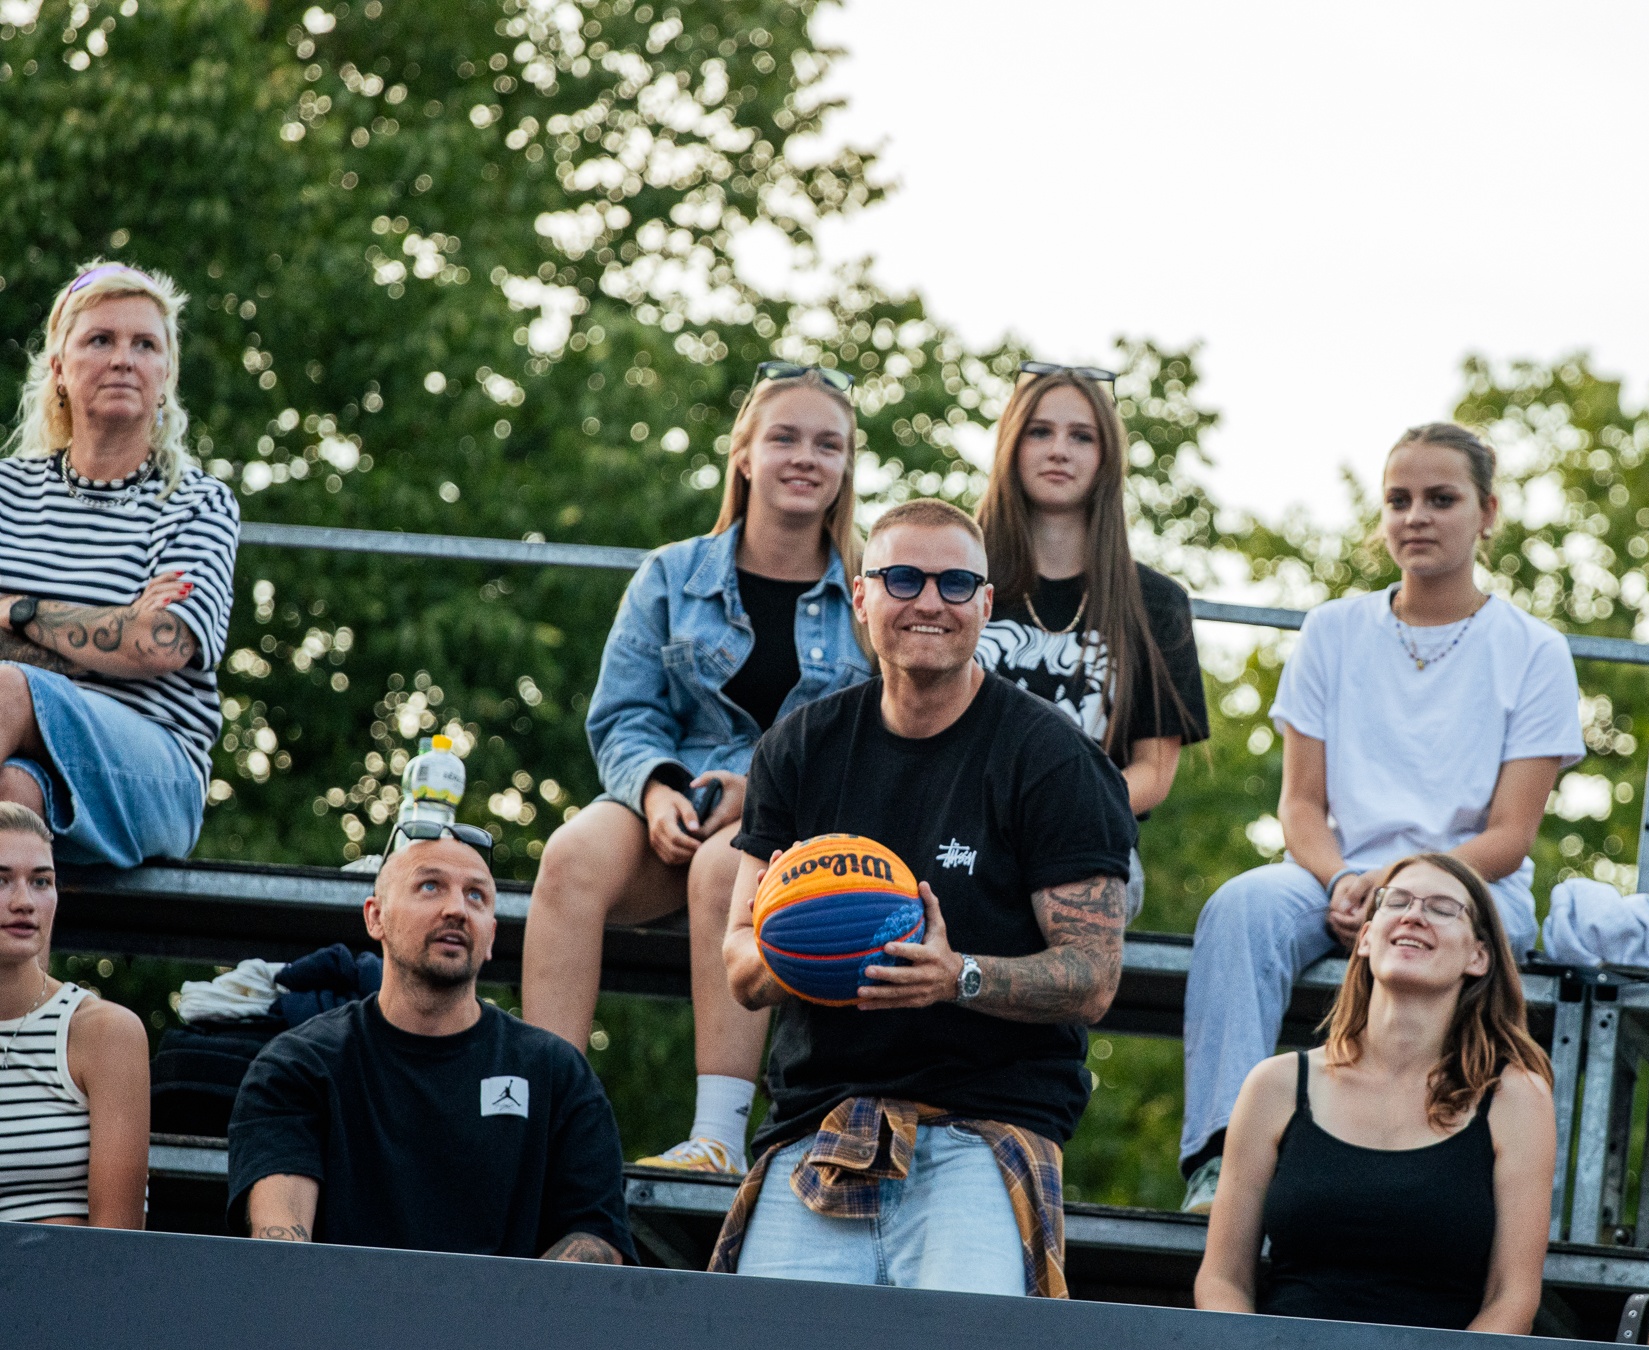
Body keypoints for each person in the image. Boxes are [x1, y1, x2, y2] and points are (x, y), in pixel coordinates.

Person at [708, 499, 1135, 1298]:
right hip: (819, 1125)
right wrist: (795, 942)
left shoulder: (1053, 760)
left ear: (986, 603)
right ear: (861, 596)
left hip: (985, 1125)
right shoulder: (799, 748)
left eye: (955, 583)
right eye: (902, 578)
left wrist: (956, 976)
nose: (930, 601)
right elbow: (739, 962)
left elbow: (1093, 976)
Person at [1178, 422, 1583, 1212]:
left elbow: (1511, 836)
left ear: (1487, 512)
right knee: (1241, 909)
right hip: (1335, 876)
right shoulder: (1332, 630)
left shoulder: (1534, 650)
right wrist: (1345, 882)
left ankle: (1428, 1177)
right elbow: (1300, 805)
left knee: (1441, 933)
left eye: (1441, 499)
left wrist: (1401, 893)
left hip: (1474, 886)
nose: (1416, 517)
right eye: (1399, 500)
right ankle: (1223, 1161)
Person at [522, 363, 872, 1177]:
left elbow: (874, 735)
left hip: (802, 819)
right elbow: (624, 713)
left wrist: (762, 791)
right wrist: (654, 789)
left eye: (828, 445)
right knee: (569, 854)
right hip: (674, 797)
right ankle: (545, 1124)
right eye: (784, 438)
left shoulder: (868, 590)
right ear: (744, 454)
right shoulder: (673, 574)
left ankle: (715, 1138)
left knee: (727, 867)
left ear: (846, 467)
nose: (805, 458)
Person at [227, 823, 636, 1262]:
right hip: (344, 1308)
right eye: (430, 886)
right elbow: (280, 1251)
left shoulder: (556, 1073)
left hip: (508, 1310)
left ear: (491, 935)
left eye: (476, 895)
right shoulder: (298, 1066)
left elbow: (599, 1241)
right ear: (375, 917)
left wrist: (499, 1303)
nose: (457, 909)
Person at [1191, 852, 1555, 1330]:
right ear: (1365, 937)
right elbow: (1222, 1280)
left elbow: (1513, 1298)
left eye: (1442, 908)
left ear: (1478, 956)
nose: (1413, 915)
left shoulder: (1516, 1098)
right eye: (1396, 901)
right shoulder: (1274, 1086)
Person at [0, 262, 239, 867]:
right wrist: (117, 629)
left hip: (153, 770)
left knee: (7, 688)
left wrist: (15, 612)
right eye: (101, 340)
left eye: (145, 345)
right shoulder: (6, 492)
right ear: (59, 366)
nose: (123, 360)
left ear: (166, 375)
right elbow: (133, 639)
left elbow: (159, 644)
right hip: (22, 757)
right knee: (14, 798)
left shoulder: (197, 502)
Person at [973, 362, 1209, 920]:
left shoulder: (1155, 603)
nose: (1060, 450)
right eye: (1040, 431)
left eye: (1082, 436)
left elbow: (1154, 772)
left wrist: (1063, 812)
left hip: (1085, 837)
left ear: (1107, 458)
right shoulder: (956, 577)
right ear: (1011, 445)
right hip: (959, 822)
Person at [0, 802, 149, 1227]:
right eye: (1, 880)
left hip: (65, 1270)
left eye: (41, 881)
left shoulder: (104, 1033)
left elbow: (114, 1246)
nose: (24, 902)